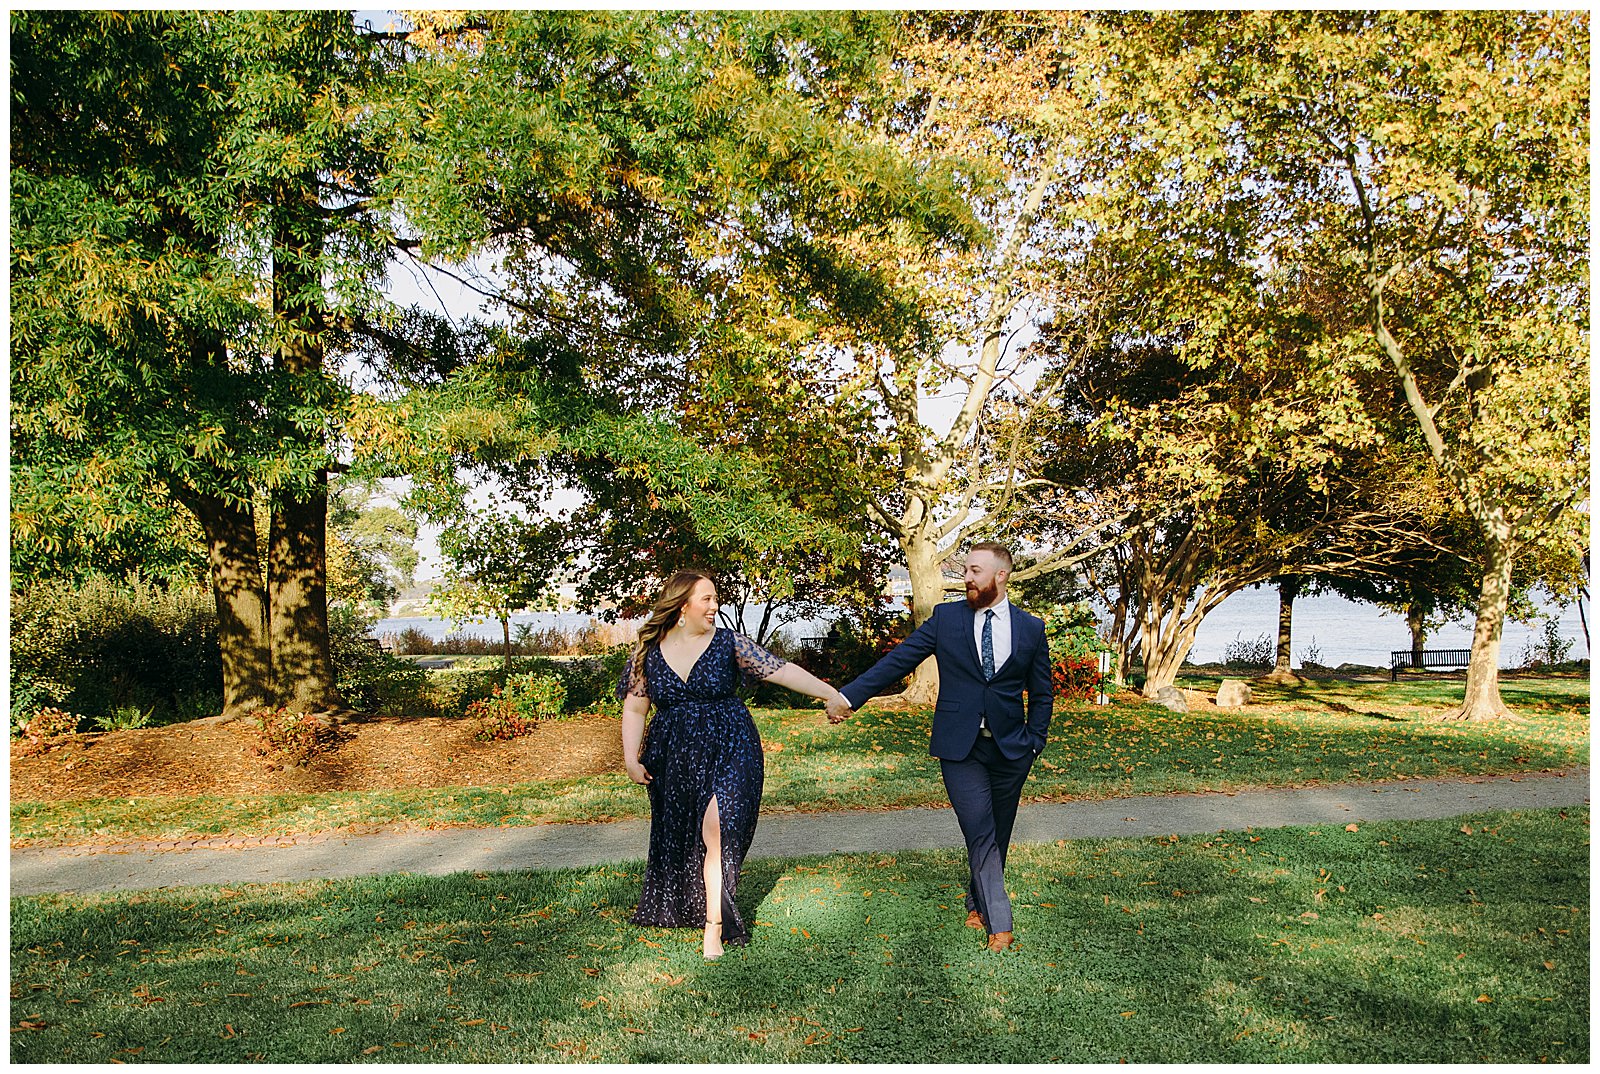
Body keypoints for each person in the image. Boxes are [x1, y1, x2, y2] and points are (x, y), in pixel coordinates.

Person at [825, 542, 1053, 953]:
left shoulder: (1031, 629)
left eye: (975, 571)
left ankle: (976, 901)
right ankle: (999, 922)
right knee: (979, 830)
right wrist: (850, 696)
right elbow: (899, 661)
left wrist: (1035, 742)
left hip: (1011, 750)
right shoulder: (946, 619)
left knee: (997, 832)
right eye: (966, 569)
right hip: (959, 748)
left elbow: (1042, 693)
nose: (966, 577)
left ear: (1000, 576)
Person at [619, 569, 849, 960]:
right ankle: (692, 905)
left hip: (732, 744)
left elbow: (780, 669)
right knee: (684, 835)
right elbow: (635, 706)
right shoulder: (649, 652)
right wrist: (629, 757)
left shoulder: (728, 643)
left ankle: (714, 926)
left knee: (717, 828)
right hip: (674, 754)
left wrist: (831, 693)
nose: (714, 606)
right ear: (681, 606)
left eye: (715, 598)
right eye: (706, 599)